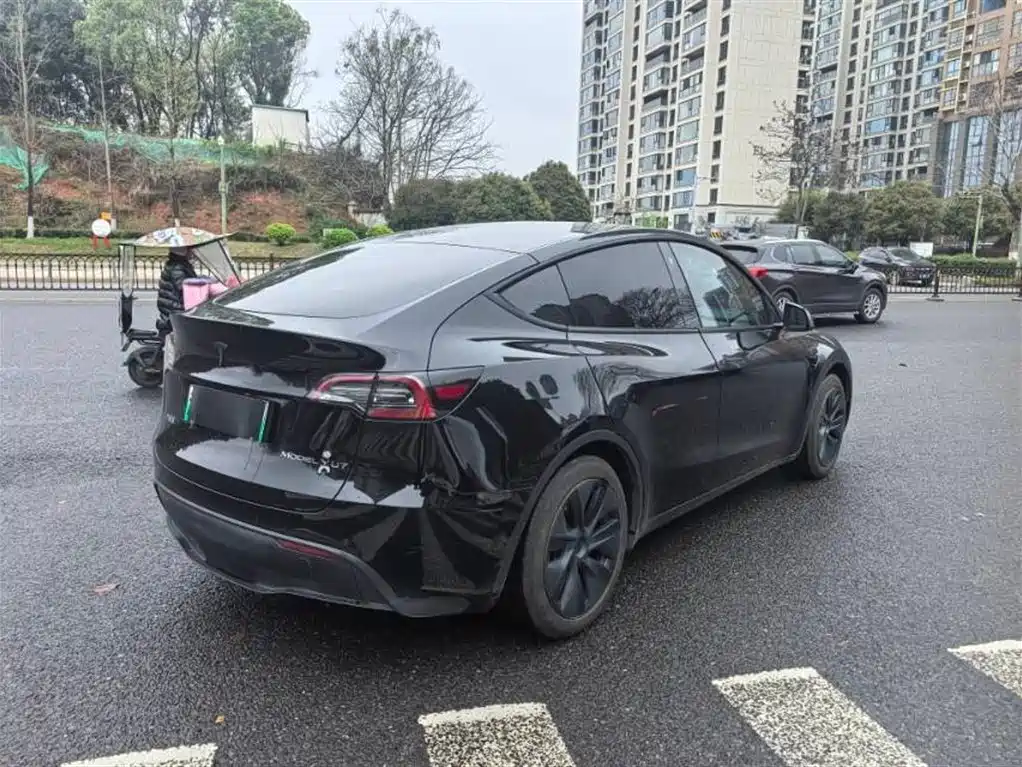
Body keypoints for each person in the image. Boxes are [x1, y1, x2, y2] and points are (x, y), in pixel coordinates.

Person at [156, 246, 197, 335]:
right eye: (189, 250)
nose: (192, 252)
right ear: (182, 252)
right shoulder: (177, 267)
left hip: (170, 306)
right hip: (175, 308)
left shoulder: (177, 264)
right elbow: (184, 287)